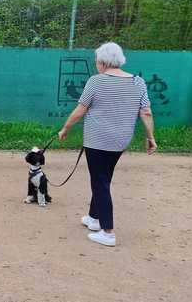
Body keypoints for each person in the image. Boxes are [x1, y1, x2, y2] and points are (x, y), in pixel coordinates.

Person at [59, 42, 156, 247]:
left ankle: (108, 232)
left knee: (99, 181)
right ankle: (94, 218)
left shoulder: (96, 81)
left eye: (96, 60)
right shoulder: (138, 82)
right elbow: (146, 112)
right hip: (120, 141)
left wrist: (65, 128)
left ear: (103, 61)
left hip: (97, 141)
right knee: (103, 177)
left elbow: (81, 109)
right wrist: (150, 138)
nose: (96, 64)